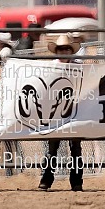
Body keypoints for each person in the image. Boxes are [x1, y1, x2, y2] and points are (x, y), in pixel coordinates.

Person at [38, 34, 84, 192]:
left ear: (70, 51)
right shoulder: (51, 66)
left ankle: (76, 181)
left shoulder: (78, 65)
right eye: (61, 49)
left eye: (66, 49)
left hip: (74, 110)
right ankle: (46, 179)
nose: (63, 52)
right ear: (57, 51)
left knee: (75, 148)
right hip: (54, 112)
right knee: (51, 148)